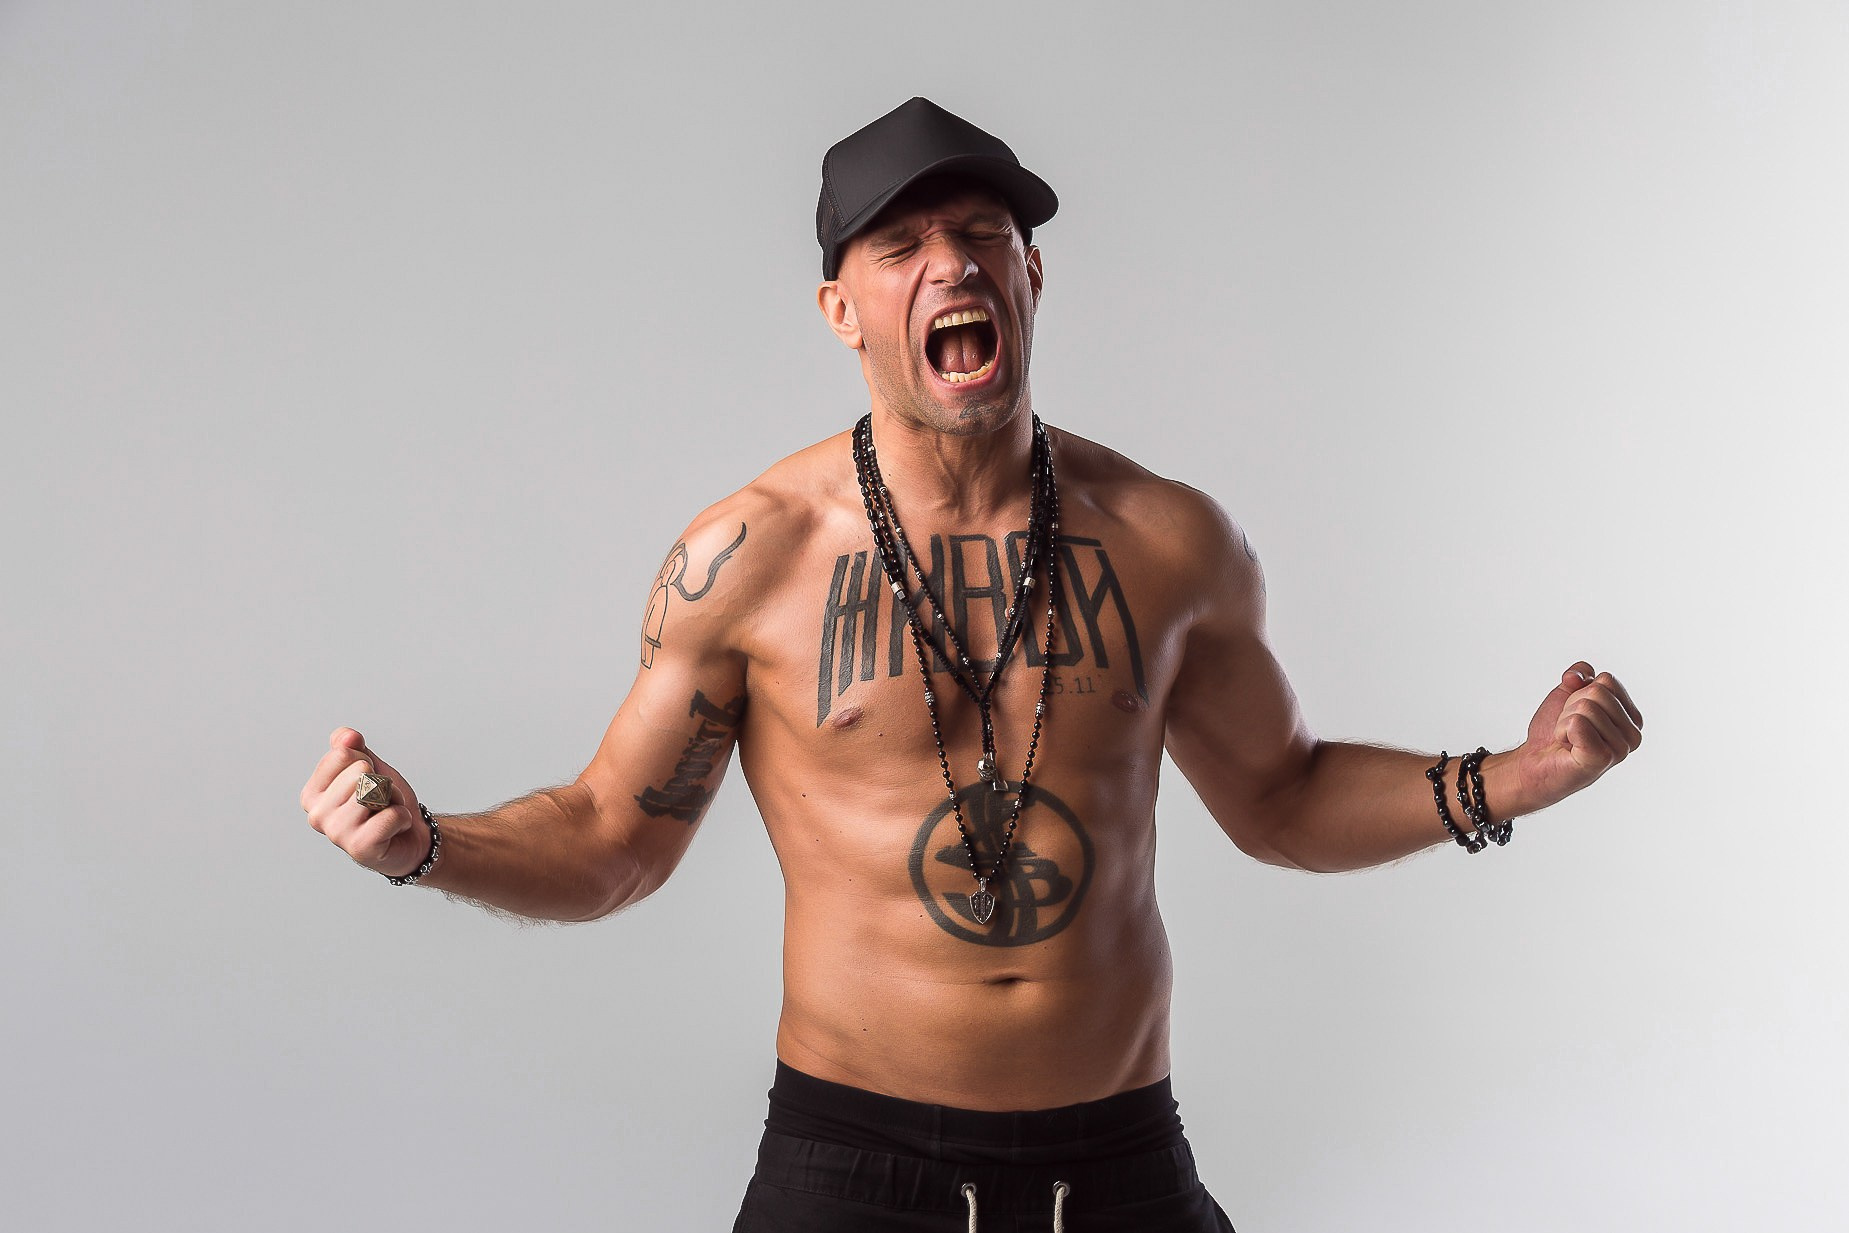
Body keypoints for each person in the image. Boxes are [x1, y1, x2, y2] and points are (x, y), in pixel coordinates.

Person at [299, 97, 1643, 1231]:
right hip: (851, 1167)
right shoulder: (750, 557)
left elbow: (1280, 797)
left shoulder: (1170, 542)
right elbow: (613, 838)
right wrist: (428, 845)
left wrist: (1510, 777)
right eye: (901, 246)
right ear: (842, 308)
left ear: (1030, 278)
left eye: (983, 235)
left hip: (1117, 1161)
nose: (950, 263)